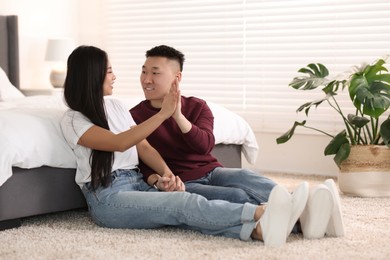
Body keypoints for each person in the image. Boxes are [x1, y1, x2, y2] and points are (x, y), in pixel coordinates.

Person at [60, 45, 312, 247]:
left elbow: (144, 148)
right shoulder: (73, 119)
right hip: (107, 197)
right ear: (91, 75)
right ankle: (264, 213)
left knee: (188, 209)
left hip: (137, 184)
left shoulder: (114, 106)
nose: (115, 76)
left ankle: (263, 230)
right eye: (109, 71)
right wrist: (163, 114)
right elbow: (119, 142)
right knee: (184, 205)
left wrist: (167, 177)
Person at [130, 45, 345, 239]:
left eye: (155, 73)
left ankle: (305, 210)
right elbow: (137, 159)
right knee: (236, 196)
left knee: (247, 176)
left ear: (177, 77)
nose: (146, 79)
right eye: (144, 71)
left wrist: (177, 116)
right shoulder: (133, 115)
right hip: (184, 182)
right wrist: (157, 180)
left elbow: (204, 145)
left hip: (212, 170)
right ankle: (307, 219)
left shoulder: (197, 106)